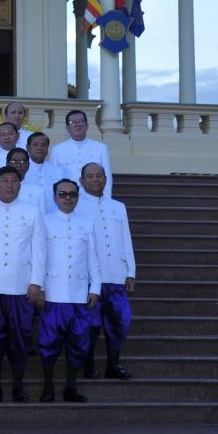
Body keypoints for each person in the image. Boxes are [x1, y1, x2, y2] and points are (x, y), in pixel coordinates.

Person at [0, 165, 46, 403]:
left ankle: (18, 386)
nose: (10, 185)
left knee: (21, 338)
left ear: (20, 184)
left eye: (14, 181)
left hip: (21, 287)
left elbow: (39, 250)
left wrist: (36, 283)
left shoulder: (33, 211)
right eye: (5, 180)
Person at [39, 178, 101, 403]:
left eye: (72, 194)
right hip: (52, 294)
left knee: (78, 344)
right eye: (62, 194)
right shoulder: (44, 221)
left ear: (78, 197)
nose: (67, 198)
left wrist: (95, 288)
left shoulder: (87, 223)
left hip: (78, 295)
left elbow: (93, 259)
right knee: (48, 343)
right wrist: (38, 286)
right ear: (54, 197)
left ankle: (71, 387)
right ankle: (48, 387)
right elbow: (38, 257)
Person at [76, 162, 135, 380]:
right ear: (82, 181)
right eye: (90, 176)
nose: (95, 179)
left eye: (99, 175)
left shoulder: (118, 207)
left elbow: (126, 239)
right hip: (92, 278)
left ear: (105, 179)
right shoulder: (77, 206)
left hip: (116, 274)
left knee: (120, 321)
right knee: (91, 324)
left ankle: (113, 364)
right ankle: (88, 363)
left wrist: (130, 272)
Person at [51, 110, 113, 196]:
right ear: (67, 128)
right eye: (73, 122)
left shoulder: (100, 148)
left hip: (93, 197)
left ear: (87, 126)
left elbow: (107, 177)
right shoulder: (57, 150)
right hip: (68, 198)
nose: (77, 125)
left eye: (80, 121)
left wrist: (105, 199)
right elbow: (54, 178)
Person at [25, 132, 66, 213]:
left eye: (43, 145)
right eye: (35, 145)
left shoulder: (58, 172)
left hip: (52, 216)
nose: (39, 148)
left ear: (47, 149)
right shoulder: (22, 170)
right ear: (28, 148)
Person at [6, 147, 49, 212]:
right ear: (7, 164)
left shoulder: (38, 191)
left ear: (28, 166)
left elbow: (42, 215)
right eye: (14, 161)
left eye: (22, 161)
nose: (18, 165)